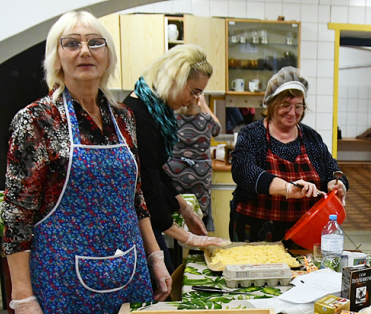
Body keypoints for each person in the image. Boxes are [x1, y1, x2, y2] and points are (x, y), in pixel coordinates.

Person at [2, 11, 170, 314]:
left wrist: (156, 258)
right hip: (65, 286)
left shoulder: (124, 119)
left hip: (129, 273)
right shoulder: (36, 121)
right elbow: (16, 216)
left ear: (108, 56)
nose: (84, 51)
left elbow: (136, 196)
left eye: (95, 42)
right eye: (71, 43)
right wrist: (23, 300)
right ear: (56, 57)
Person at [123, 44, 227, 273]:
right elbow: (147, 186)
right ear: (175, 79)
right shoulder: (138, 115)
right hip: (134, 226)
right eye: (194, 91)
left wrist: (185, 210)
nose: (194, 100)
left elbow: (156, 171)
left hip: (147, 220)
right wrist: (190, 239)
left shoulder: (153, 111)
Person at [230, 67, 348, 243]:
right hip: (255, 231)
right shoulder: (252, 134)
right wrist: (287, 189)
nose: (292, 113)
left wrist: (336, 184)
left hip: (304, 232)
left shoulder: (311, 138)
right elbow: (244, 172)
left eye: (298, 106)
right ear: (271, 104)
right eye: (285, 105)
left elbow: (332, 170)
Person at [164, 94, 221, 232]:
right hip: (199, 174)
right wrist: (204, 105)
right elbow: (217, 129)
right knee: (198, 214)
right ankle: (196, 246)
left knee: (175, 210)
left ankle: (176, 243)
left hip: (174, 173)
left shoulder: (171, 120)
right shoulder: (206, 119)